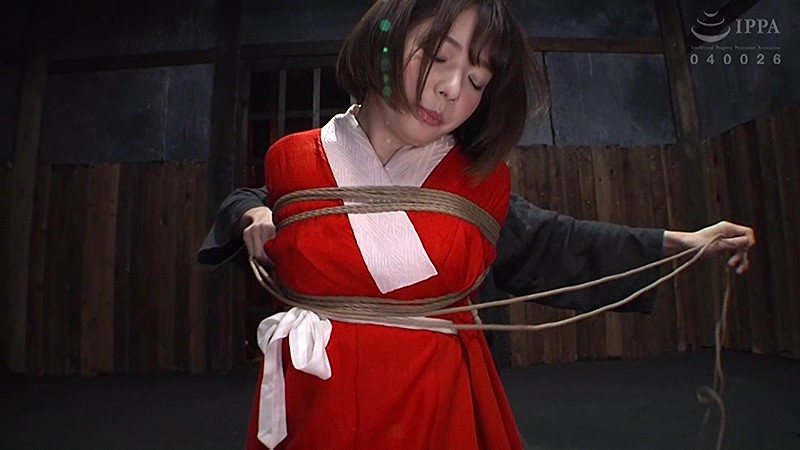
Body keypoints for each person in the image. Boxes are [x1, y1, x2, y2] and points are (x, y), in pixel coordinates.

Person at [199, 1, 755, 449]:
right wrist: (252, 213)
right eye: (438, 55)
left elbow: (552, 241)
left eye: (477, 78)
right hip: (316, 400)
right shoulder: (292, 160)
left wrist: (681, 244)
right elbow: (269, 204)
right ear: (387, 39)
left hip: (434, 402)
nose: (451, 87)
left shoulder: (477, 185)